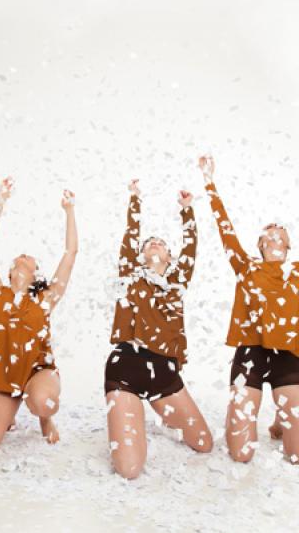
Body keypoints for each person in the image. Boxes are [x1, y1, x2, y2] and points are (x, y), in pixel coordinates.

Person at [105, 179, 213, 479]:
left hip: (164, 372)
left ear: (170, 257)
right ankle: (131, 410)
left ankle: (156, 407)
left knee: (204, 444)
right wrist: (135, 199)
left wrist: (187, 210)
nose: (154, 243)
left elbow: (191, 247)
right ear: (139, 257)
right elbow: (130, 237)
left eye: (162, 243)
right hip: (126, 366)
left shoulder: (177, 282)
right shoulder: (130, 275)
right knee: (129, 470)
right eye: (148, 242)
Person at [199, 155, 299, 464]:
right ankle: (255, 419)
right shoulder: (246, 267)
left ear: (288, 243)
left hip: (289, 357)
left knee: (296, 456)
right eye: (267, 231)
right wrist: (209, 183)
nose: (273, 230)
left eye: (280, 231)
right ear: (259, 243)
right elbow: (225, 230)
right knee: (241, 454)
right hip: (250, 355)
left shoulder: (297, 271)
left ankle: (284, 422)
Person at [0, 178, 78, 453]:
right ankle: (7, 410)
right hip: (4, 382)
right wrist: (1, 199)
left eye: (30, 257)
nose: (23, 255)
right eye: (20, 256)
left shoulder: (44, 299)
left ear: (36, 274)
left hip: (37, 374)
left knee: (43, 402)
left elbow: (70, 253)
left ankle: (45, 420)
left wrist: (69, 211)